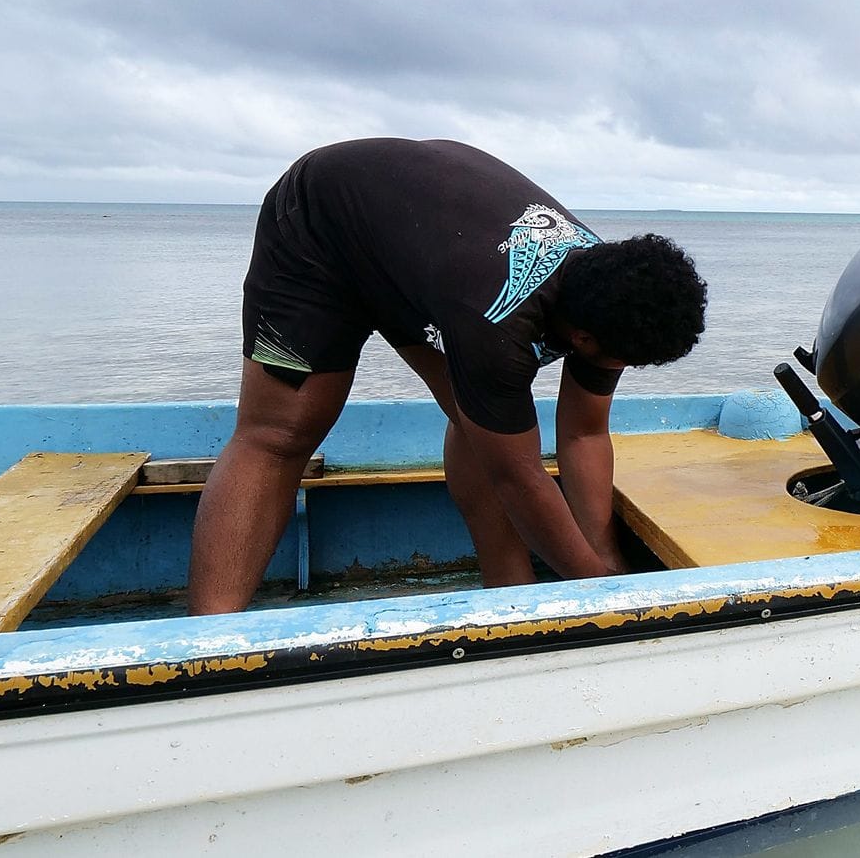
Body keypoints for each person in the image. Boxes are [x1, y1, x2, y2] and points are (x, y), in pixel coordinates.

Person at [188, 138, 707, 614]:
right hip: (316, 224)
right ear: (586, 340)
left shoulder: (613, 292)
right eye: (622, 361)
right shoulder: (497, 327)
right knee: (278, 435)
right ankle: (202, 648)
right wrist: (600, 596)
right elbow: (520, 476)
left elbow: (585, 433)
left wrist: (606, 563)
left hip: (416, 253)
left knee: (477, 417)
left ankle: (509, 596)